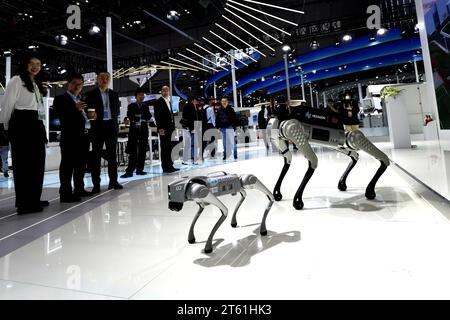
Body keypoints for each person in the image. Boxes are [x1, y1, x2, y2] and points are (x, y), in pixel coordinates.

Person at [0, 53, 49, 214]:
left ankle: (34, 198)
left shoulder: (36, 84)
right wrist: (6, 127)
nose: (35, 66)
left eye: (38, 64)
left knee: (37, 164)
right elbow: (7, 104)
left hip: (36, 123)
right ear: (25, 64)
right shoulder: (16, 80)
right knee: (23, 166)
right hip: (21, 123)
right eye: (32, 63)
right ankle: (24, 203)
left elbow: (39, 109)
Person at [52, 73, 92, 202]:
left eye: (80, 83)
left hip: (84, 136)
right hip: (69, 137)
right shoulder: (60, 99)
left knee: (81, 165)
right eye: (75, 83)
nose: (78, 86)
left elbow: (82, 117)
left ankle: (79, 188)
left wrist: (91, 118)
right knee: (67, 165)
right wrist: (74, 108)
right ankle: (65, 193)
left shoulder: (82, 98)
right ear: (68, 84)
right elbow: (60, 115)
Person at [85, 71, 123, 193]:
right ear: (97, 80)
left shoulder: (114, 94)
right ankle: (96, 184)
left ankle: (113, 181)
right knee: (96, 157)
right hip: (97, 127)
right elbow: (87, 110)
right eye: (102, 78)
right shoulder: (91, 94)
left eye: (107, 78)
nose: (105, 80)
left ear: (110, 79)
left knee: (112, 156)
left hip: (111, 127)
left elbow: (116, 110)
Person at [121, 88, 152, 178]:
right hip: (134, 129)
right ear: (136, 96)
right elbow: (130, 115)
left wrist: (138, 116)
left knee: (142, 150)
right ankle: (130, 171)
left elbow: (148, 116)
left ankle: (140, 170)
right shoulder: (131, 106)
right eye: (140, 95)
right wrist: (139, 116)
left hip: (143, 128)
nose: (141, 96)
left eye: (143, 95)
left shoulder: (145, 106)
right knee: (133, 150)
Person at [153, 85, 179, 173]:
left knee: (170, 147)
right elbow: (157, 116)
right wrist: (160, 128)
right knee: (164, 148)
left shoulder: (169, 101)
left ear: (169, 91)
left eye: (167, 90)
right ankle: (165, 167)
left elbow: (171, 116)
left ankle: (170, 165)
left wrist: (174, 127)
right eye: (164, 90)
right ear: (161, 91)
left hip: (171, 128)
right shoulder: (158, 102)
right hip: (163, 129)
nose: (165, 92)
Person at [181, 96, 199, 165]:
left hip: (186, 127)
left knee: (187, 144)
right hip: (191, 128)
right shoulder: (191, 106)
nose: (196, 102)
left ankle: (185, 160)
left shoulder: (185, 106)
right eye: (195, 100)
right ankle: (194, 159)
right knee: (193, 144)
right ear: (193, 100)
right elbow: (192, 118)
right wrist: (193, 128)